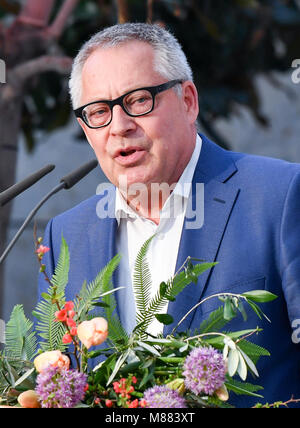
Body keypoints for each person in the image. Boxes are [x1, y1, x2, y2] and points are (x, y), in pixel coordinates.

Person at [38, 22, 300, 407]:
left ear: (189, 101)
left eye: (139, 100)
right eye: (98, 112)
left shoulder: (279, 196)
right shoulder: (66, 235)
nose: (119, 127)